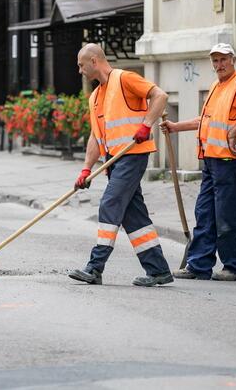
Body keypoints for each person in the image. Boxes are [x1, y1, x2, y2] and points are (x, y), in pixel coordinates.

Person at [67, 43, 174, 288]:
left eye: (81, 65)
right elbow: (96, 137)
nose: (80, 71)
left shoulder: (125, 79)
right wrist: (86, 169)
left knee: (110, 203)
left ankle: (95, 267)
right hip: (114, 161)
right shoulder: (95, 97)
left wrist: (146, 125)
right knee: (134, 216)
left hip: (132, 154)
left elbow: (160, 96)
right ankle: (158, 270)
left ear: (94, 61)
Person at [160, 43, 236, 281]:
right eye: (215, 61)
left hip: (230, 160)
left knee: (228, 214)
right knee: (205, 212)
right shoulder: (217, 86)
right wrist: (176, 127)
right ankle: (199, 265)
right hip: (212, 159)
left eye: (223, 60)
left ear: (233, 60)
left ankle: (235, 266)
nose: (219, 65)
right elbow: (205, 121)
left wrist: (235, 131)